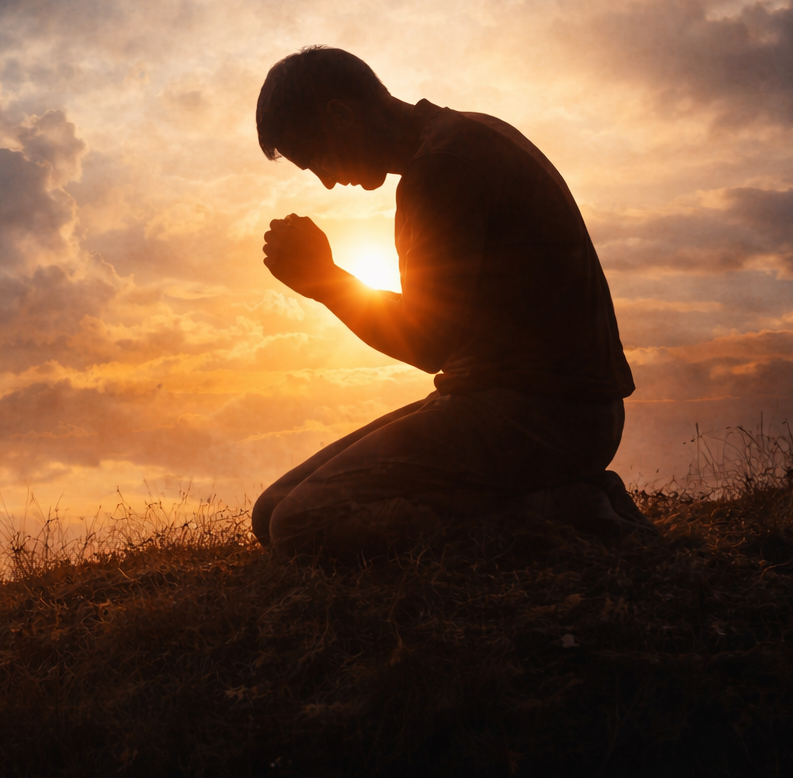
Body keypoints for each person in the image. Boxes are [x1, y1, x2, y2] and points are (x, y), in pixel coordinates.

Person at [251, 47, 656, 559]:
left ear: (339, 114)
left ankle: (572, 511)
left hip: (550, 416)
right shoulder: (463, 136)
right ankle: (555, 496)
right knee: (274, 511)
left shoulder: (442, 168)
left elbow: (429, 342)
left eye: (318, 159)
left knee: (301, 526)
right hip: (517, 399)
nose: (328, 181)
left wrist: (325, 281)